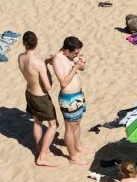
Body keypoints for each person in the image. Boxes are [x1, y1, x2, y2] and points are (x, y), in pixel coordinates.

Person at [17, 31, 58, 167]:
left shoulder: (20, 57)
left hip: (29, 93)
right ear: (36, 43)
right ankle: (41, 156)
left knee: (37, 121)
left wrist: (44, 64)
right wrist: (46, 66)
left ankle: (42, 149)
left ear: (24, 43)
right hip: (40, 97)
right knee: (53, 125)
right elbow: (48, 86)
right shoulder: (38, 63)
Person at [51, 36, 89, 165]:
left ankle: (78, 147)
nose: (76, 55)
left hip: (78, 94)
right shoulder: (58, 60)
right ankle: (72, 156)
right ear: (66, 50)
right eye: (75, 53)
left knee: (77, 123)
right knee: (70, 127)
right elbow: (63, 82)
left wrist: (82, 62)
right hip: (68, 98)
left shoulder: (71, 56)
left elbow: (82, 68)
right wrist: (75, 67)